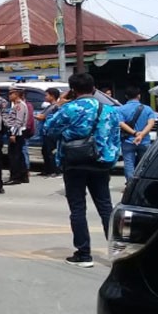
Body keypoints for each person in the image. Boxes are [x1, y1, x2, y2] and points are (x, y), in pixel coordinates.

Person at [45, 73, 121, 268]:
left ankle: (83, 254)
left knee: (78, 208)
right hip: (101, 163)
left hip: (74, 163)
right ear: (93, 88)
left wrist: (60, 104)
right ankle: (118, 254)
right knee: (106, 207)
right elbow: (115, 138)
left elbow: (48, 128)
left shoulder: (69, 108)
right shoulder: (109, 110)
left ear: (72, 90)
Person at [117, 86, 157, 182]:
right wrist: (141, 135)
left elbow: (121, 123)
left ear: (126, 96)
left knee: (129, 164)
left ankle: (130, 185)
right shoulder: (148, 109)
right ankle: (141, 184)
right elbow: (151, 123)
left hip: (128, 141)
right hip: (144, 141)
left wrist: (135, 133)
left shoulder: (120, 109)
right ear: (139, 96)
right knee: (144, 164)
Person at [5, 87, 29, 185]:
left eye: (11, 93)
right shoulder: (17, 105)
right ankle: (22, 176)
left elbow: (18, 121)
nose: (9, 96)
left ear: (16, 94)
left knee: (14, 156)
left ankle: (15, 177)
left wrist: (13, 134)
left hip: (17, 132)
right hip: (17, 132)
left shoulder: (19, 105)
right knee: (18, 155)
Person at [36, 88, 61, 177]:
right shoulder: (49, 106)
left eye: (47, 95)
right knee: (45, 151)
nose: (45, 97)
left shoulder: (54, 107)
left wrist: (37, 116)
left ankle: (54, 170)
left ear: (52, 96)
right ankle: (47, 170)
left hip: (51, 132)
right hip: (46, 132)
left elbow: (41, 117)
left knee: (51, 152)